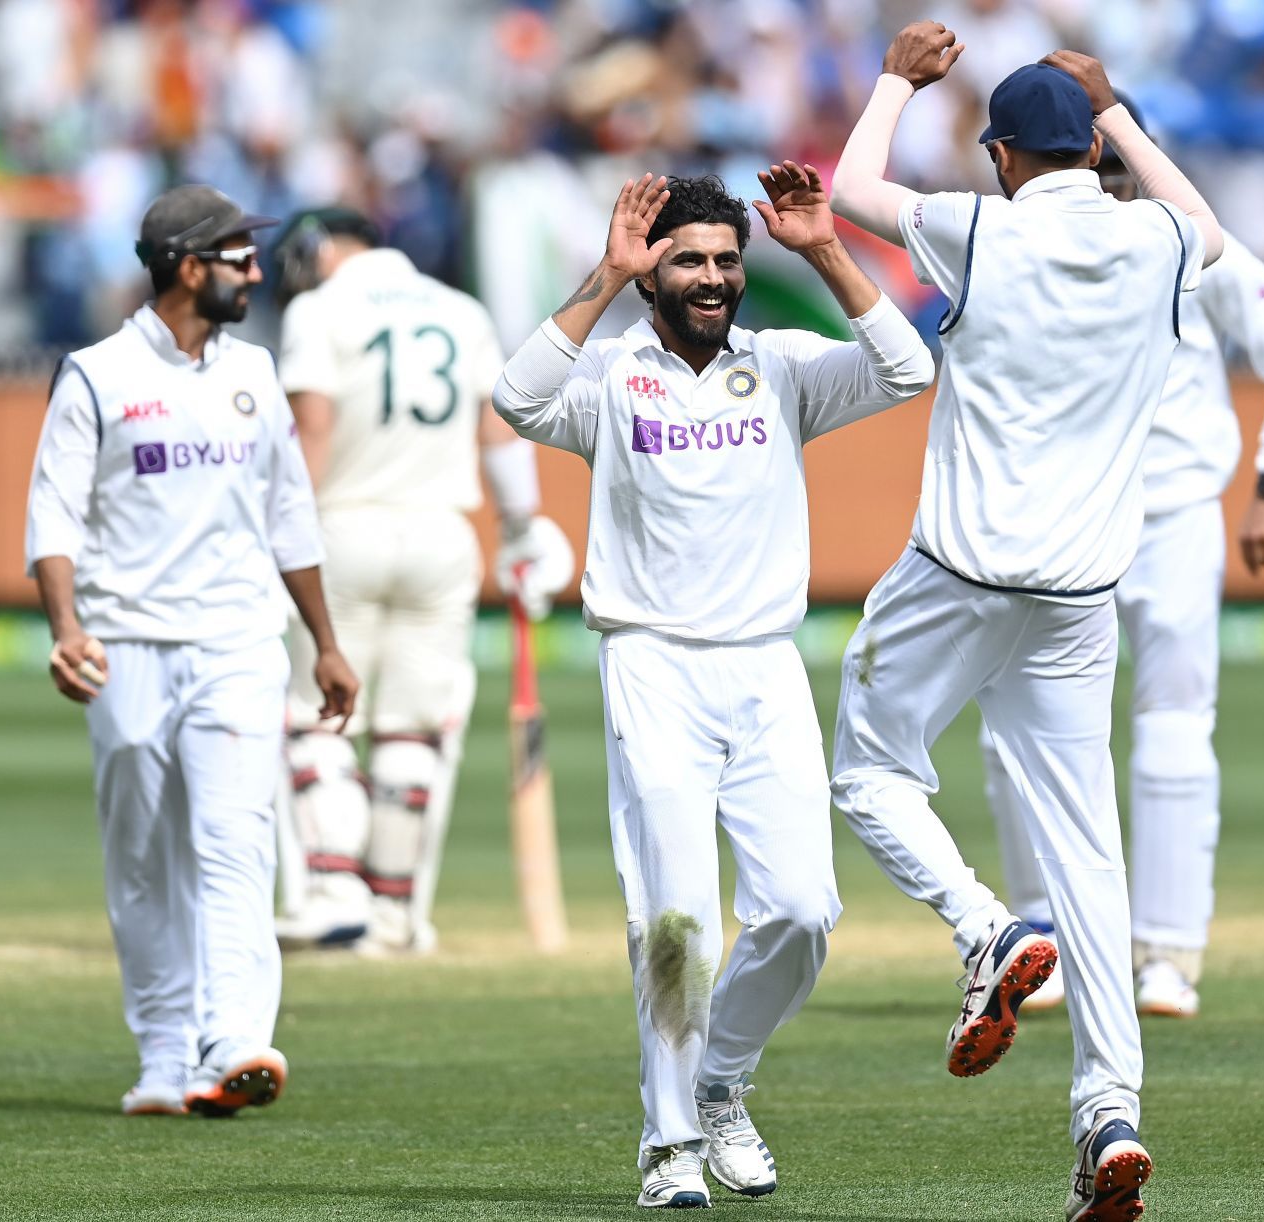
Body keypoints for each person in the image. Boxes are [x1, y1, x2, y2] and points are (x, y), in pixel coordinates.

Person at [827, 25, 1224, 1222]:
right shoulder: (1156, 240)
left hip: (960, 567)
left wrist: (897, 76)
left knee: (869, 771)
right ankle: (1111, 1111)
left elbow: (847, 191)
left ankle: (986, 930)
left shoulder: (980, 226)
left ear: (1002, 154)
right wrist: (1118, 118)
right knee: (1091, 854)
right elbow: (1209, 228)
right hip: (1078, 591)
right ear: (1088, 147)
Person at [493, 169, 932, 1208]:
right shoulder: (610, 376)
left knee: (802, 912)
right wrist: (606, 272)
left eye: (728, 261)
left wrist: (823, 247)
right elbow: (515, 397)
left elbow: (909, 370)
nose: (712, 278)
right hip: (650, 662)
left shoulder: (780, 368)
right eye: (688, 260)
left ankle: (722, 1077)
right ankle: (671, 1142)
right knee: (678, 919)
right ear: (654, 273)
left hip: (765, 664)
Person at [988, 100, 1264, 1019]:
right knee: (1020, 730)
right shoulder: (1020, 241)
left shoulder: (1188, 243)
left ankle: (1167, 956)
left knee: (1174, 725)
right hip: (1062, 516)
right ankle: (1039, 942)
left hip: (1172, 510)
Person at [24, 184, 359, 1119]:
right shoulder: (95, 374)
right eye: (236, 255)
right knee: (143, 858)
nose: (255, 269)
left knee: (235, 841)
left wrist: (325, 645)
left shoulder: (254, 372)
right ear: (185, 266)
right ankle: (165, 1054)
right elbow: (53, 512)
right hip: (126, 642)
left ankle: (235, 1042)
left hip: (239, 642)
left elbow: (289, 515)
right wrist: (67, 628)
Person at [268, 205, 574, 955]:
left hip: (341, 529)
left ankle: (336, 890)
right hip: (443, 536)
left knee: (317, 715)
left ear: (317, 252)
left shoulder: (317, 308)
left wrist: (273, 537)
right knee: (414, 727)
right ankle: (395, 915)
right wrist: (522, 527)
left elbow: (310, 431)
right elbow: (498, 427)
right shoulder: (459, 310)